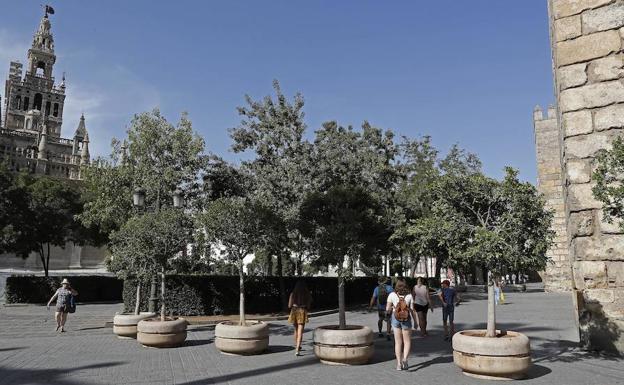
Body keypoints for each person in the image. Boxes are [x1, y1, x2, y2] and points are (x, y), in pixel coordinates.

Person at [386, 278, 416, 371]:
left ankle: (398, 364)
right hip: (406, 319)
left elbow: (387, 309)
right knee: (407, 341)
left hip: (395, 319)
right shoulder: (409, 296)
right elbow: (412, 310)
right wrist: (415, 321)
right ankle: (405, 359)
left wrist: (391, 308)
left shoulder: (392, 295)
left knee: (398, 342)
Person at [288, 280, 312, 356]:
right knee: (300, 331)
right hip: (302, 310)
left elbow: (289, 305)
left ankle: (297, 346)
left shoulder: (293, 294)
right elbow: (308, 306)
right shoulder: (307, 294)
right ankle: (297, 349)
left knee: (295, 329)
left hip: (294, 310)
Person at [369, 276, 393, 340]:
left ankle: (380, 332)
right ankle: (388, 333)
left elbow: (373, 298)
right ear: (385, 281)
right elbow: (393, 297)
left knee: (380, 319)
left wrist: (370, 306)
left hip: (380, 307)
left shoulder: (377, 288)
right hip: (388, 307)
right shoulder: (390, 288)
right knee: (389, 320)